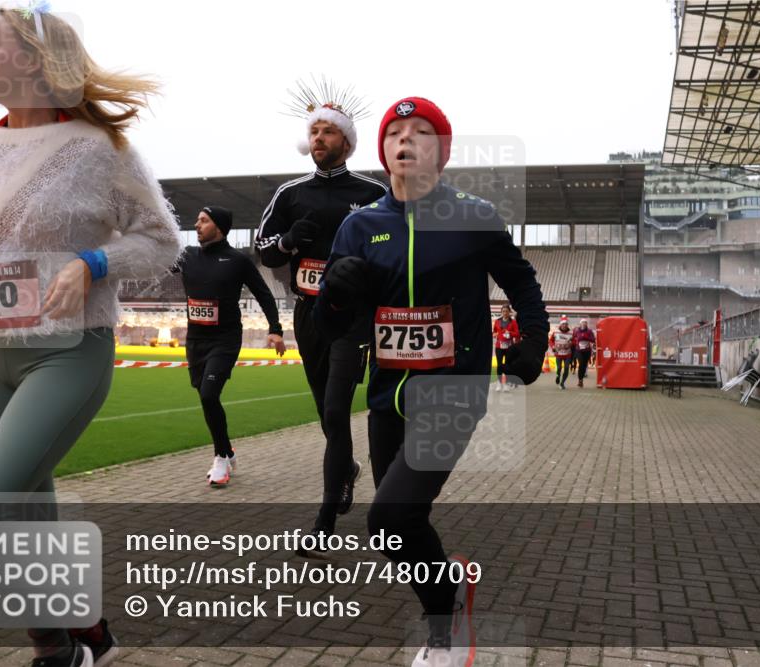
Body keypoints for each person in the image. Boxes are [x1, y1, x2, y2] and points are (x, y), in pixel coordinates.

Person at [0, 6, 182, 667]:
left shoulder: (100, 152)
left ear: (36, 62)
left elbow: (161, 239)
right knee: (28, 510)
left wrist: (93, 262)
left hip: (70, 349)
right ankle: (89, 631)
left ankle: (54, 650)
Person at [314, 97, 548, 667]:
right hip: (387, 394)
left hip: (454, 390)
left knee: (388, 519)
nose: (406, 139)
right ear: (384, 151)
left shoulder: (473, 216)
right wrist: (336, 290)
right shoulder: (359, 225)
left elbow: (522, 281)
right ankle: (451, 588)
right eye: (395, 132)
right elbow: (332, 324)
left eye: (422, 131)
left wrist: (534, 342)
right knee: (400, 530)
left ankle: (444, 630)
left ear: (442, 152)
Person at [255, 80, 387, 551]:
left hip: (353, 318)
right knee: (328, 418)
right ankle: (346, 469)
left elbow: (398, 247)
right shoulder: (290, 194)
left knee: (336, 409)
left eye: (329, 132)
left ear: (347, 142)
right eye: (314, 132)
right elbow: (263, 250)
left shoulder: (374, 192)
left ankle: (325, 522)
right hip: (308, 314)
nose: (319, 139)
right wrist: (290, 241)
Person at [174, 206, 285, 487]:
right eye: (197, 220)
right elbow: (155, 260)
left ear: (219, 226)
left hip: (225, 339)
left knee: (210, 395)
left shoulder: (238, 260)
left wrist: (275, 329)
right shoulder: (186, 255)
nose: (196, 225)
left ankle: (220, 458)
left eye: (203, 220)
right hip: (195, 340)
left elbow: (264, 294)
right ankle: (227, 449)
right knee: (205, 397)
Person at [492, 304, 520, 391]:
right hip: (499, 346)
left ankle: (507, 384)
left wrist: (510, 333)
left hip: (509, 347)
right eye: (503, 311)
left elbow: (517, 334)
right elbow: (494, 332)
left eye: (507, 311)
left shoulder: (513, 322)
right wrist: (494, 334)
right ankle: (499, 383)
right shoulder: (497, 321)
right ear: (501, 312)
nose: (505, 313)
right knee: (499, 365)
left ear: (509, 312)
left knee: (508, 365)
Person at [549, 315, 574, 389]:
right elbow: (550, 340)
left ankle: (562, 383)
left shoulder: (571, 333)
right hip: (558, 353)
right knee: (559, 368)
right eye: (563, 324)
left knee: (566, 368)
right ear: (560, 324)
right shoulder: (556, 332)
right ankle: (557, 375)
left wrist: (570, 344)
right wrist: (553, 347)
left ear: (567, 325)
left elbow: (574, 341)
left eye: (566, 324)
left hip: (567, 354)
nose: (564, 326)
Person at [572, 318, 596, 388]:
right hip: (579, 350)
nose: (584, 324)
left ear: (586, 324)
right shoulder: (577, 331)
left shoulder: (589, 331)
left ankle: (581, 379)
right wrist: (575, 342)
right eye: (583, 322)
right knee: (581, 364)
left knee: (584, 366)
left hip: (587, 351)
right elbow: (573, 338)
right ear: (580, 324)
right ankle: (580, 380)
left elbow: (593, 340)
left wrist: (586, 338)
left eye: (585, 323)